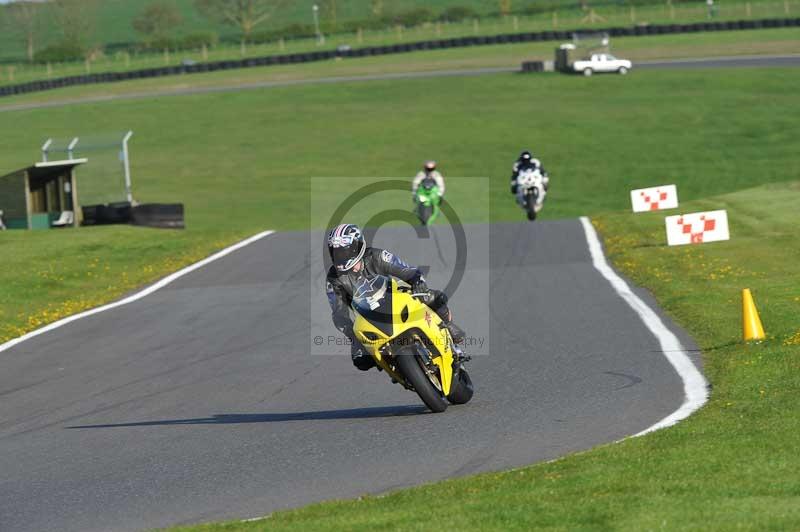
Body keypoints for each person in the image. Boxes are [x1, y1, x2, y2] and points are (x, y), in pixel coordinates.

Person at [325, 223, 465, 371]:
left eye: (343, 251)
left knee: (434, 297)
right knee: (361, 361)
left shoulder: (377, 256)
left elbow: (408, 271)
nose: (339, 256)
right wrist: (353, 336)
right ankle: (397, 369)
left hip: (395, 297)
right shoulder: (333, 279)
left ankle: (449, 328)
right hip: (368, 318)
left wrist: (417, 281)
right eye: (335, 252)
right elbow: (339, 313)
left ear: (357, 246)